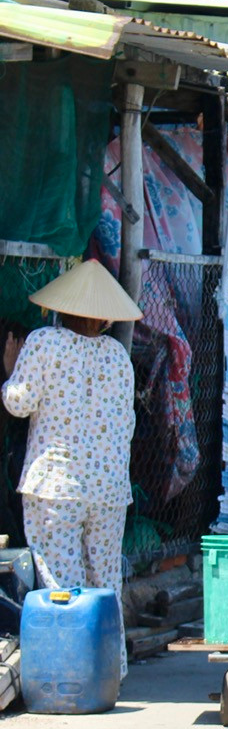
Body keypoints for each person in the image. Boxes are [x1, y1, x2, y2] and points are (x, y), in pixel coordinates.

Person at [2, 259, 141, 680]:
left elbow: (19, 403)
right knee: (105, 581)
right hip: (110, 488)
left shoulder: (43, 343)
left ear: (62, 307)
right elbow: (128, 423)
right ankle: (111, 671)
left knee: (62, 583)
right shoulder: (118, 355)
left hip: (56, 485)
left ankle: (74, 673)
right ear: (102, 316)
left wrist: (10, 370)